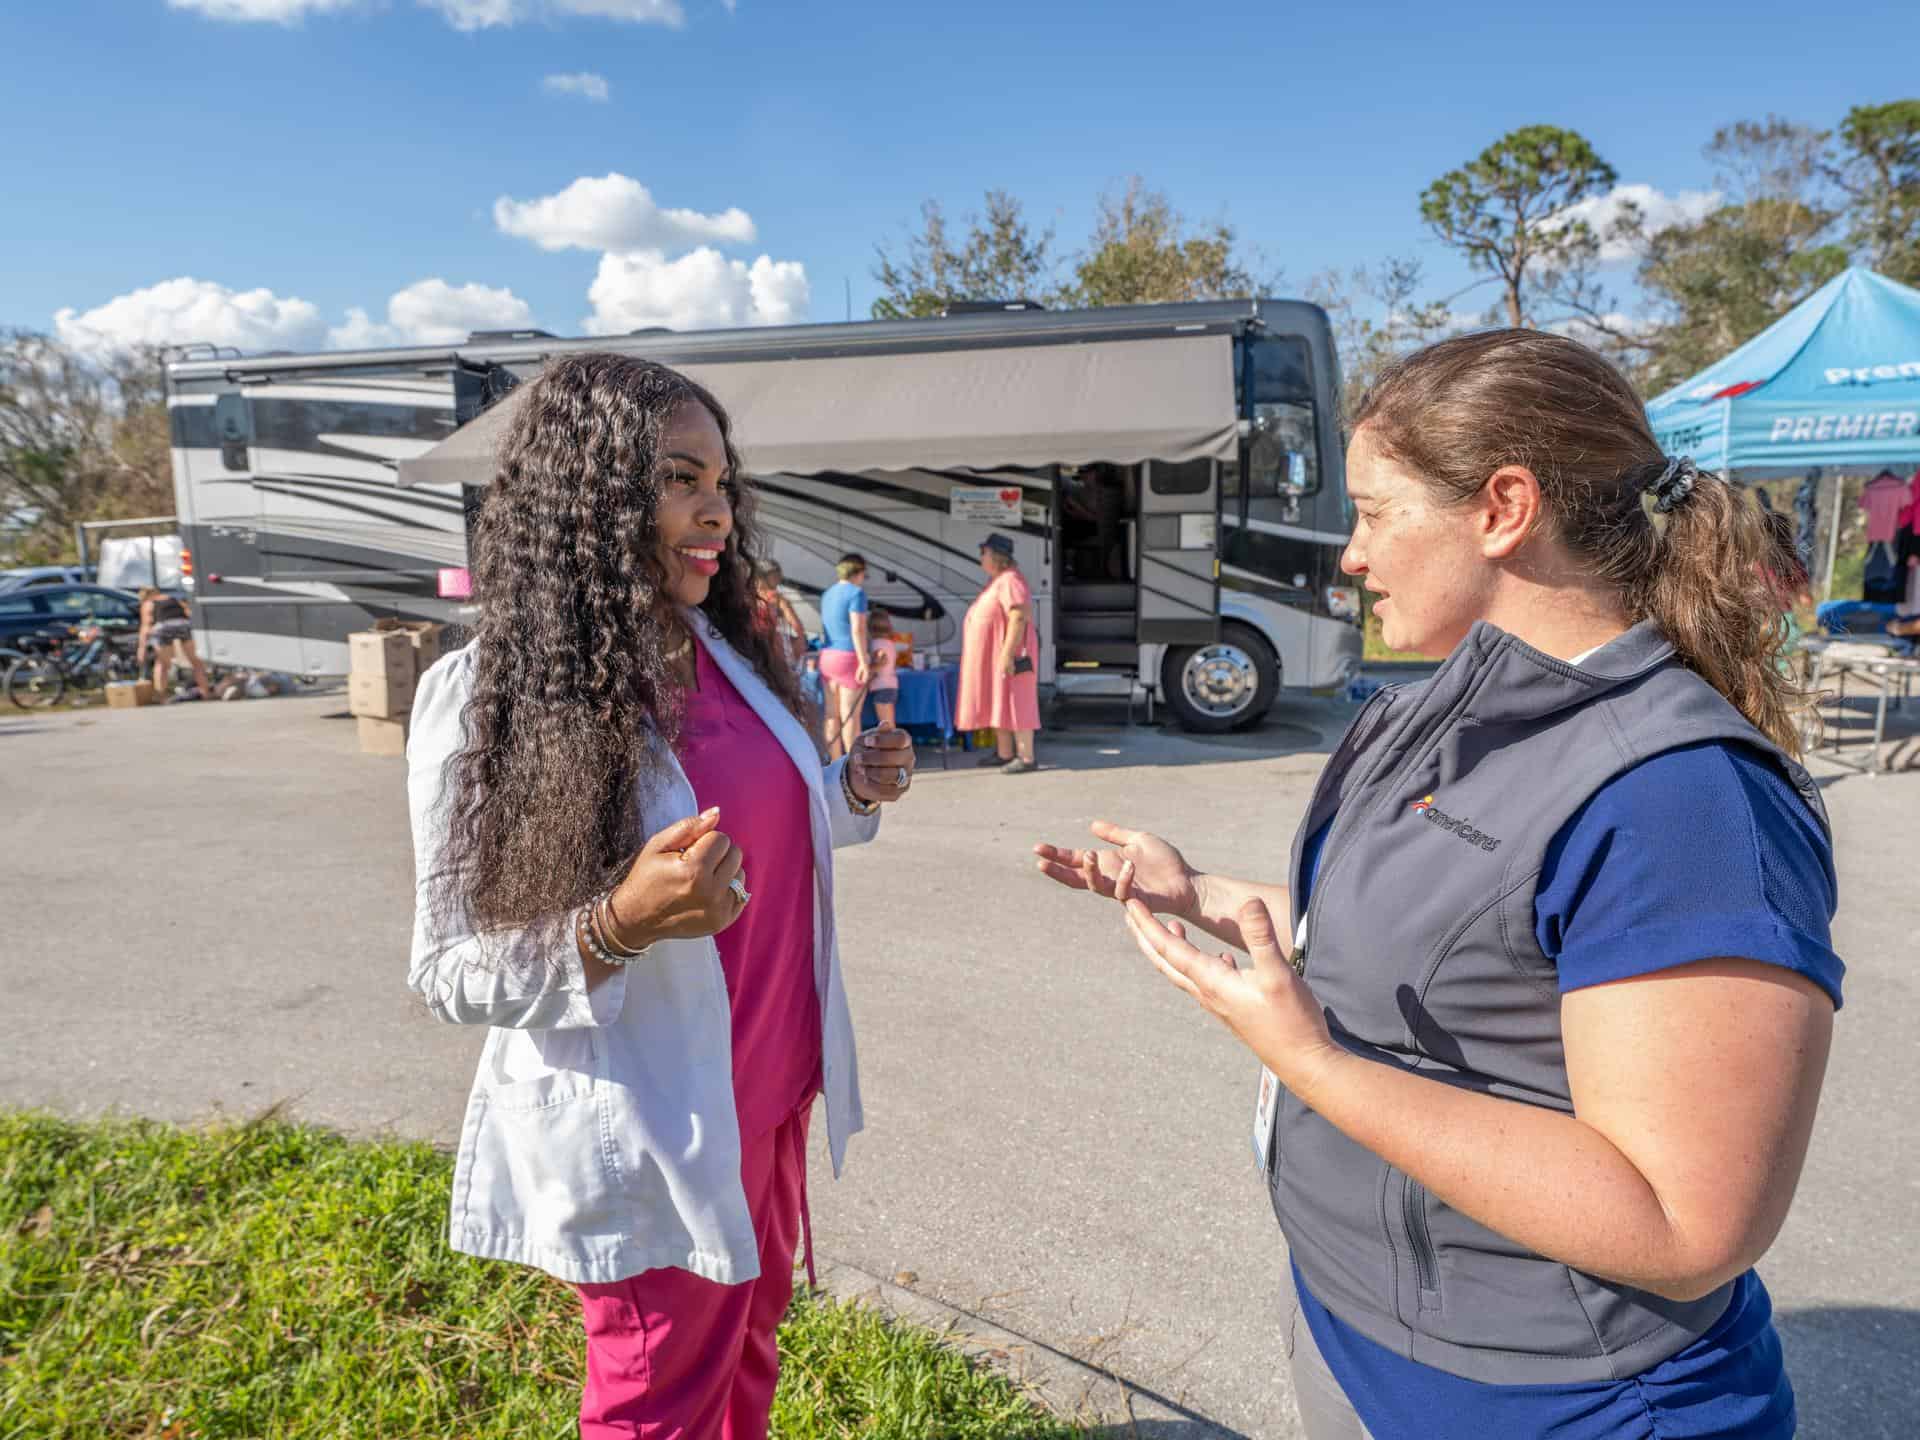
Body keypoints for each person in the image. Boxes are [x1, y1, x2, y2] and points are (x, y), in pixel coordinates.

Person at [1035, 330, 1842, 1440]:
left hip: (1556, 1400)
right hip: (1356, 1325)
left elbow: (1685, 1220)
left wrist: (1307, 1057)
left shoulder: (1683, 801)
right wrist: (1209, 892)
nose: (1350, 556)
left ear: (1504, 509)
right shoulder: (1430, 707)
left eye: (1373, 511)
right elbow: (1455, 934)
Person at [405, 354, 918, 1440]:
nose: (717, 512)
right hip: (656, 1120)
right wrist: (616, 923)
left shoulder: (728, 650)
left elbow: (752, 836)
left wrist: (847, 790)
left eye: (724, 484)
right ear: (589, 495)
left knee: (750, 1364)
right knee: (657, 1408)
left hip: (773, 1098)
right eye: (683, 479)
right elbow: (448, 972)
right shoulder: (490, 694)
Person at [955, 533, 1041, 773]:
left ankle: (1026, 758)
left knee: (1018, 701)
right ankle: (1005, 753)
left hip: (1011, 655)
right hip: (997, 656)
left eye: (984, 553)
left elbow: (1018, 616)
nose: (981, 558)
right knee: (1000, 702)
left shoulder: (1011, 580)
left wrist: (1006, 654)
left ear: (997, 557)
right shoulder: (998, 580)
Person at [817, 554, 871, 759]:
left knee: (831, 716)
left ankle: (834, 762)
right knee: (851, 717)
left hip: (828, 656)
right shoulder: (856, 593)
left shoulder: (827, 594)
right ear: (858, 572)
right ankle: (853, 764)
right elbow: (858, 629)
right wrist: (864, 660)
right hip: (848, 656)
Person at [136, 586, 210, 701]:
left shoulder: (148, 603)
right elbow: (189, 613)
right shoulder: (173, 599)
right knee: (196, 662)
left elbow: (146, 626)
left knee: (162, 664)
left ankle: (161, 697)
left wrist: (142, 648)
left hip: (163, 628)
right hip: (183, 625)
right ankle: (206, 692)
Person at [754, 561, 807, 669]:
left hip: (752, 642)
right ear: (767, 576)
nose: (779, 580)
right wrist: (800, 639)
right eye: (777, 576)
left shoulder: (748, 595)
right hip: (770, 644)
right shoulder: (776, 598)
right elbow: (795, 623)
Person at [866, 605, 901, 732]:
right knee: (890, 723)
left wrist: (869, 670)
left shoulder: (875, 644)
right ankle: (894, 747)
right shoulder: (890, 643)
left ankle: (891, 748)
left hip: (881, 687)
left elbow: (881, 661)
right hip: (891, 685)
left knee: (885, 724)